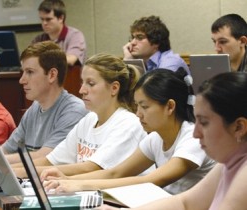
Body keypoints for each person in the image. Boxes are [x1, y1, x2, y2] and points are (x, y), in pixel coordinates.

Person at [43, 68, 215, 195]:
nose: (138, 113)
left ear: (170, 106)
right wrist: (67, 180)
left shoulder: (193, 137)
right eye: (137, 105)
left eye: (145, 107)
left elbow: (151, 180)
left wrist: (78, 185)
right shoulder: (155, 138)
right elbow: (115, 173)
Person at [96, 72, 247, 210]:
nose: (196, 133)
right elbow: (185, 203)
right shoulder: (229, 162)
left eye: (205, 123)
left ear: (239, 127)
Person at [0, 53, 147, 179]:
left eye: (90, 84)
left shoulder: (128, 124)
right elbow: (50, 161)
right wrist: (5, 169)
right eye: (82, 82)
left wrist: (17, 172)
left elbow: (91, 168)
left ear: (114, 88)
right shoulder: (89, 119)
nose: (82, 90)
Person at [0, 41, 88, 170]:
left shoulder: (74, 111)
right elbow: (6, 150)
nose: (22, 80)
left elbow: (45, 157)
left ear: (52, 75)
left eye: (30, 72)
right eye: (23, 72)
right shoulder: (34, 108)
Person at [123, 16, 189, 72]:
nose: (132, 43)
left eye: (140, 37)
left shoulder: (171, 62)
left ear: (156, 42)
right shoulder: (144, 62)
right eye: (132, 38)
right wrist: (129, 62)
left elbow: (152, 87)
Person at [31, 0, 86, 66]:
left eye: (48, 19)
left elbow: (71, 59)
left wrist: (42, 60)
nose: (44, 23)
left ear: (61, 18)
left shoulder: (75, 35)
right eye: (42, 19)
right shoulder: (39, 39)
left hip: (70, 75)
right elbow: (29, 60)